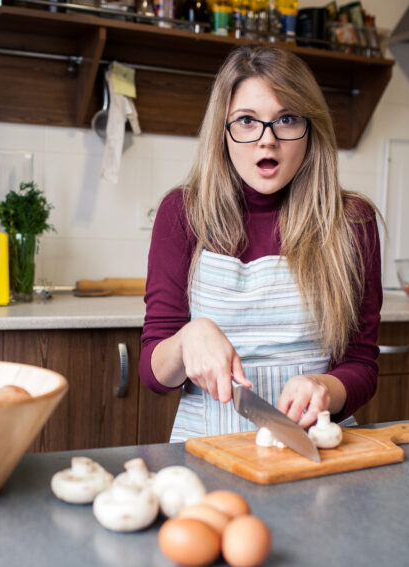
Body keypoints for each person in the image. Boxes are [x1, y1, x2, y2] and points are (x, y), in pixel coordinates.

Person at [140, 45, 382, 442]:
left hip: (315, 443)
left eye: (286, 119)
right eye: (247, 121)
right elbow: (153, 376)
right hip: (206, 445)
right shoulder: (182, 213)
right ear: (223, 131)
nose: (266, 141)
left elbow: (361, 366)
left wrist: (325, 388)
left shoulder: (352, 221)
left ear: (311, 130)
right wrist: (186, 341)